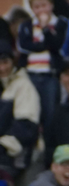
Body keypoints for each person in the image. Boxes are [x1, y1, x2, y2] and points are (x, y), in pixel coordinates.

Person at [15, 0, 67, 133]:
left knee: (50, 113)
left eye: (44, 5)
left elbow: (57, 45)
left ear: (51, 5)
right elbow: (24, 46)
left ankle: (49, 147)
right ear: (32, 8)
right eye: (37, 7)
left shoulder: (59, 23)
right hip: (31, 74)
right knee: (30, 111)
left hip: (49, 75)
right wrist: (44, 45)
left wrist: (45, 29)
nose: (41, 10)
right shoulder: (27, 25)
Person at [0, 41, 40, 176]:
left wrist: (3, 146)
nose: (2, 68)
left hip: (12, 158)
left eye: (5, 62)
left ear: (13, 62)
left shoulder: (23, 86)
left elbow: (26, 128)